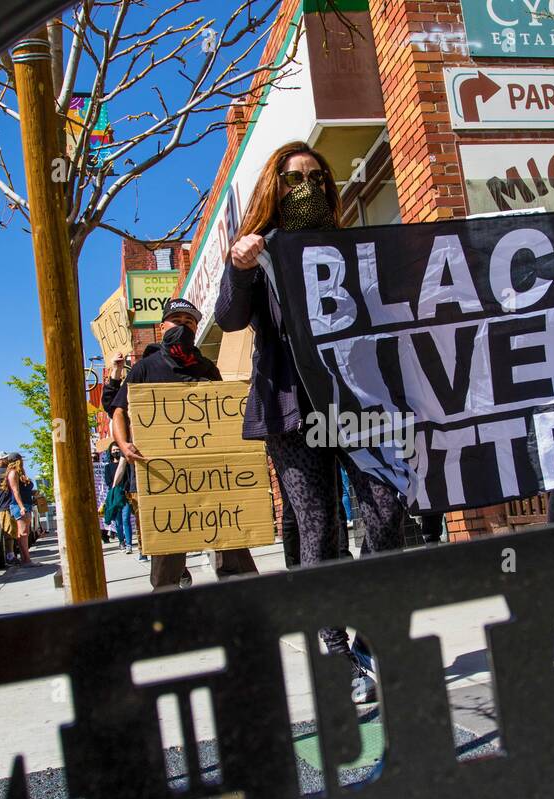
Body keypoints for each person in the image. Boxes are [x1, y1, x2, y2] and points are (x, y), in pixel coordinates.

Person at [217, 140, 406, 703]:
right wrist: (240, 266)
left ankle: (371, 630)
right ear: (275, 188)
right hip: (291, 408)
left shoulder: (352, 247)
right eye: (295, 178)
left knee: (385, 512)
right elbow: (230, 316)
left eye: (318, 178)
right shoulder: (258, 252)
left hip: (358, 402)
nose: (308, 187)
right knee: (318, 528)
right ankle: (337, 653)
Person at [109, 296, 259, 587]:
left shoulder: (205, 368)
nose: (184, 326)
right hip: (164, 476)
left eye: (190, 322)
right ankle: (167, 611)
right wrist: (125, 446)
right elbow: (118, 411)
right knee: (168, 548)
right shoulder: (146, 368)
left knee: (228, 535)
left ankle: (248, 601)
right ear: (162, 326)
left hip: (211, 474)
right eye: (177, 321)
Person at [5, 453, 37, 565]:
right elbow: (15, 491)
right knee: (23, 533)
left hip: (26, 504)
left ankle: (25, 559)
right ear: (17, 461)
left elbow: (22, 490)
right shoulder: (13, 473)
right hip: (19, 506)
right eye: (21, 460)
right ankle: (26, 560)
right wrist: (22, 506)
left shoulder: (20, 473)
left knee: (25, 533)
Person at [0, 450, 16, 565]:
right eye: (5, 458)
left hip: (6, 506)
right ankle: (10, 556)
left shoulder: (3, 470)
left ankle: (11, 555)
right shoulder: (0, 471)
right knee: (9, 533)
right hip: (5, 507)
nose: (8, 460)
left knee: (11, 533)